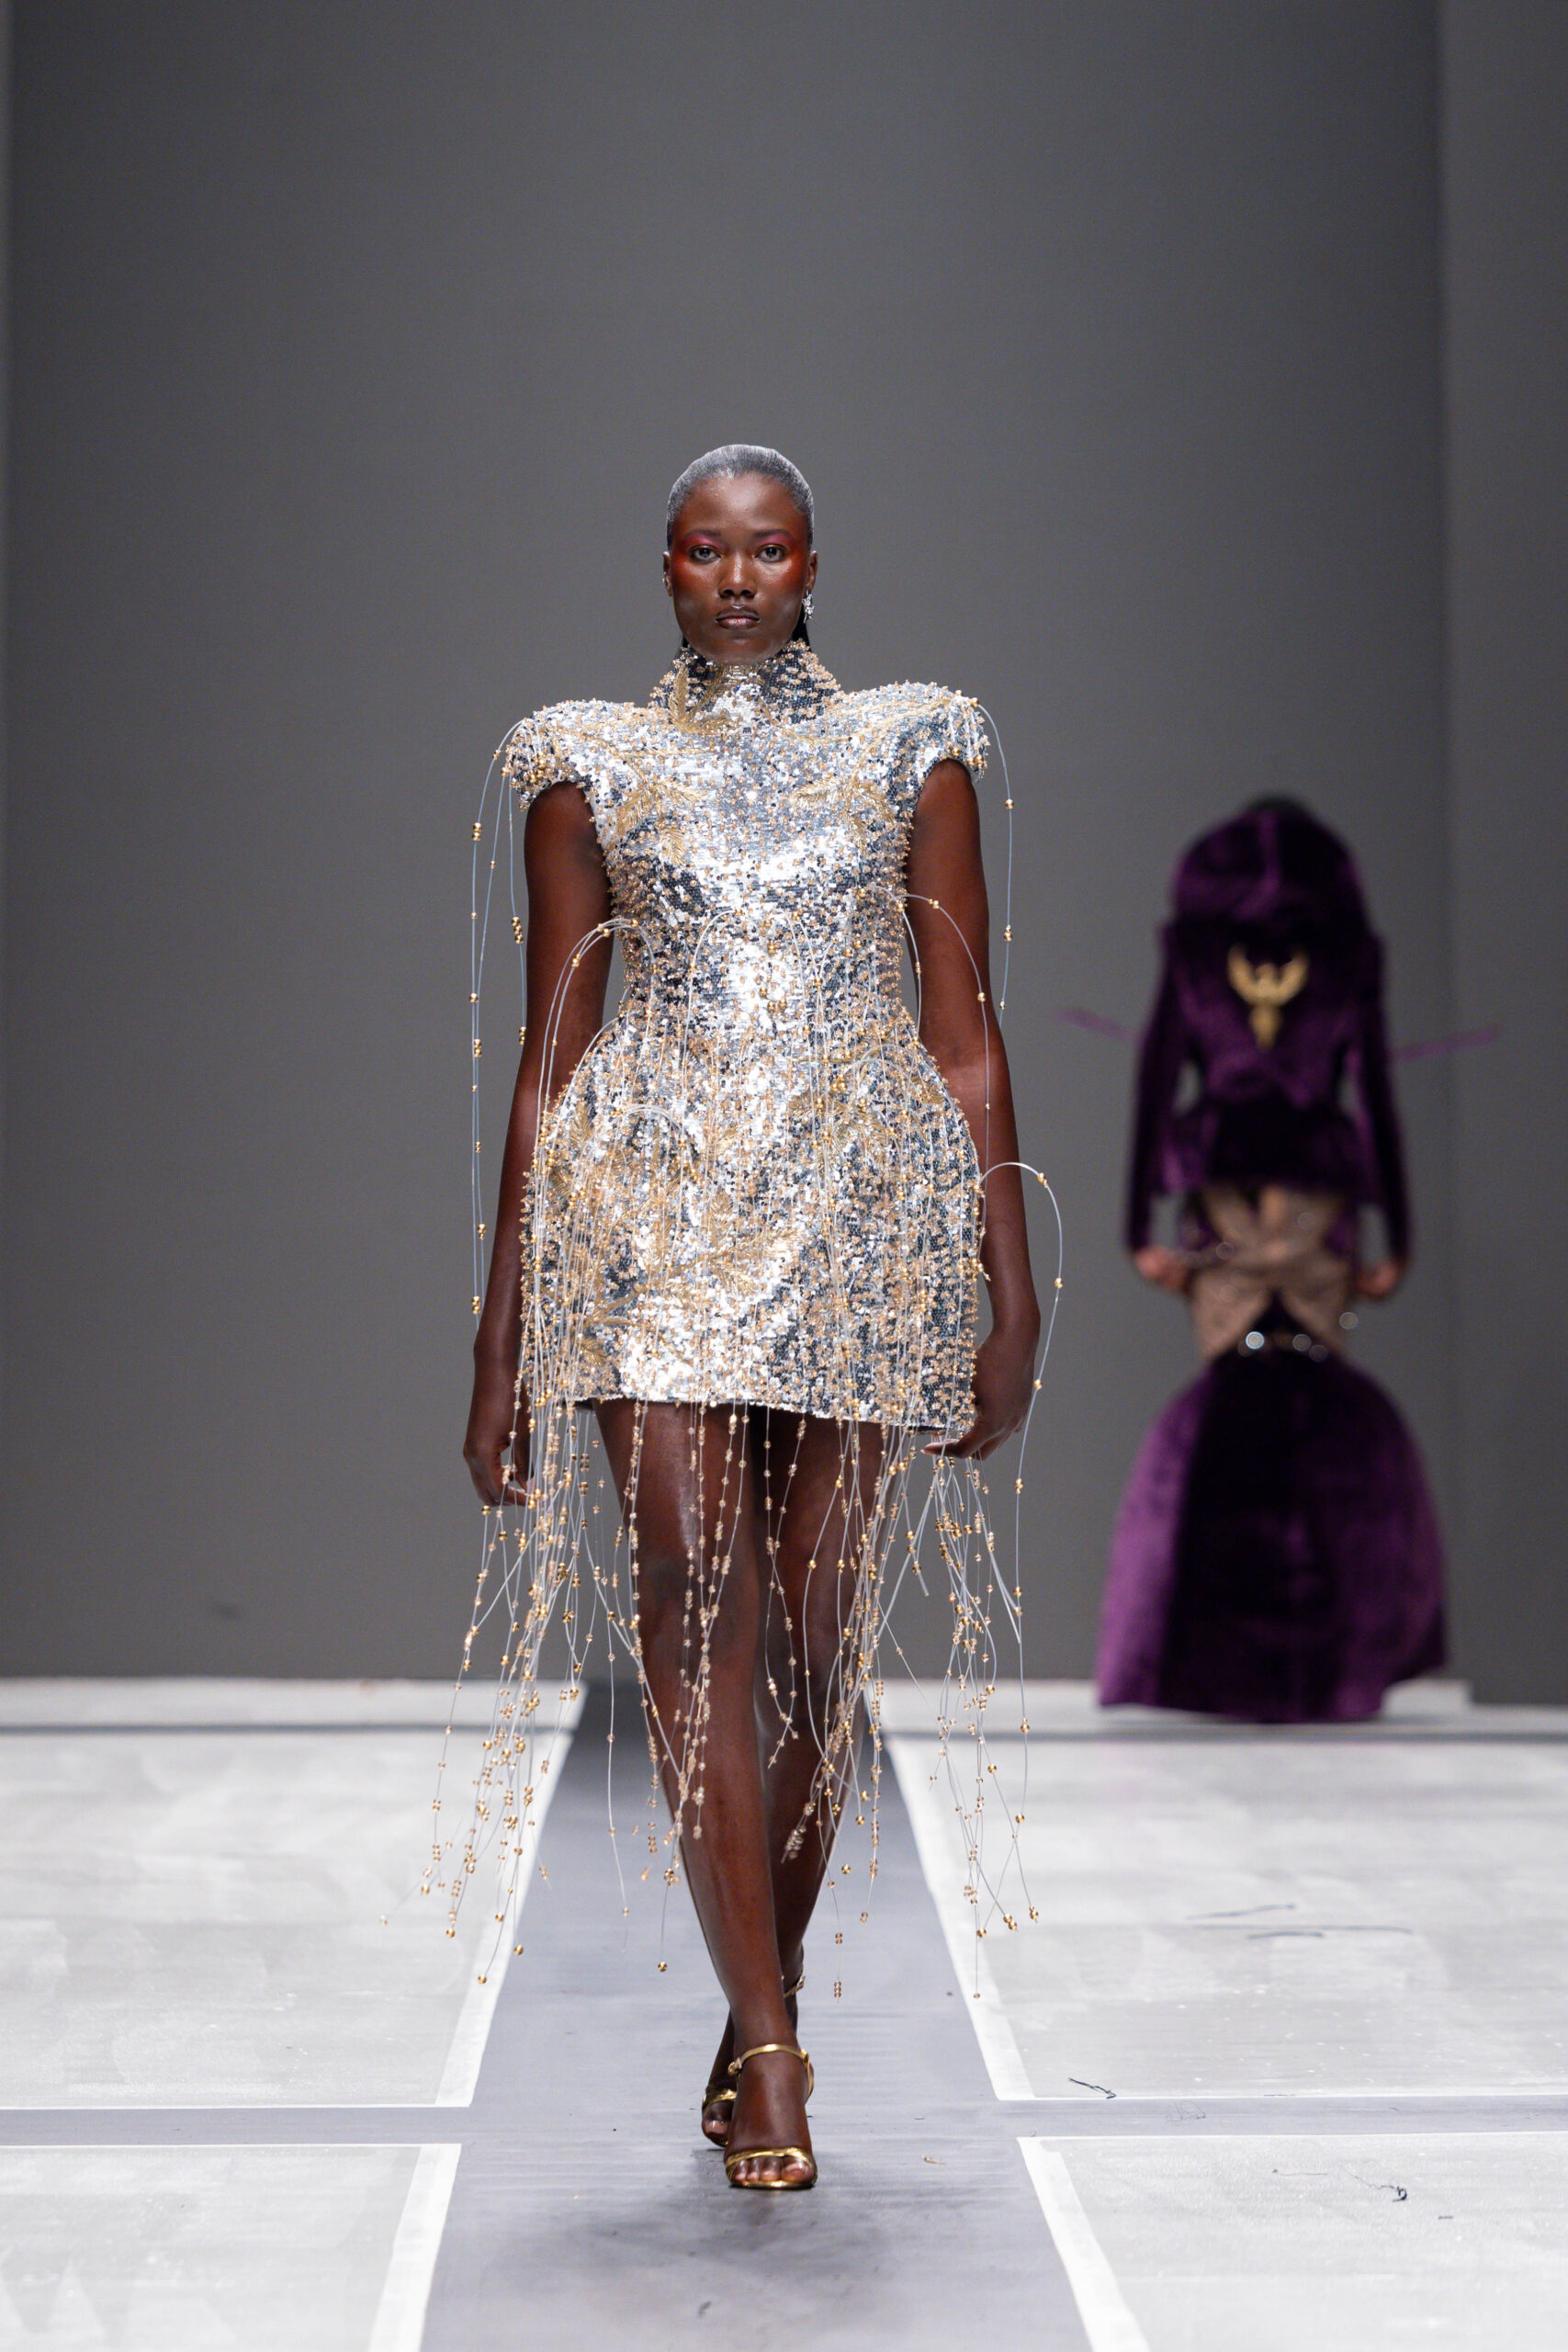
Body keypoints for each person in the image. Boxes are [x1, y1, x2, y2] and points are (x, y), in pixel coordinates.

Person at [454, 446, 1041, 2189]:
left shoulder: (915, 745)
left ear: (808, 565)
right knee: (684, 1598)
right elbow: (552, 1055)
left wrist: (1004, 1282)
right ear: (663, 567)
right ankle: (774, 2051)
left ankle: (749, 1997)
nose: (734, 579)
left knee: (812, 1640)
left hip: (855, 1222)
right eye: (704, 551)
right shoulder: (583, 762)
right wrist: (500, 1328)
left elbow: (962, 1033)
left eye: (765, 550)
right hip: (645, 1226)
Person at [1098, 797, 1445, 1723]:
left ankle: (1218, 1660)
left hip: (1225, 1197)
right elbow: (1372, 1091)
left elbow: (1155, 1081)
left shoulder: (1197, 953)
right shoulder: (1345, 954)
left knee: (1238, 1401)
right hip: (1318, 1200)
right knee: (1310, 1404)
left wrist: (1137, 1229)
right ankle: (1325, 1657)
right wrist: (1397, 1237)